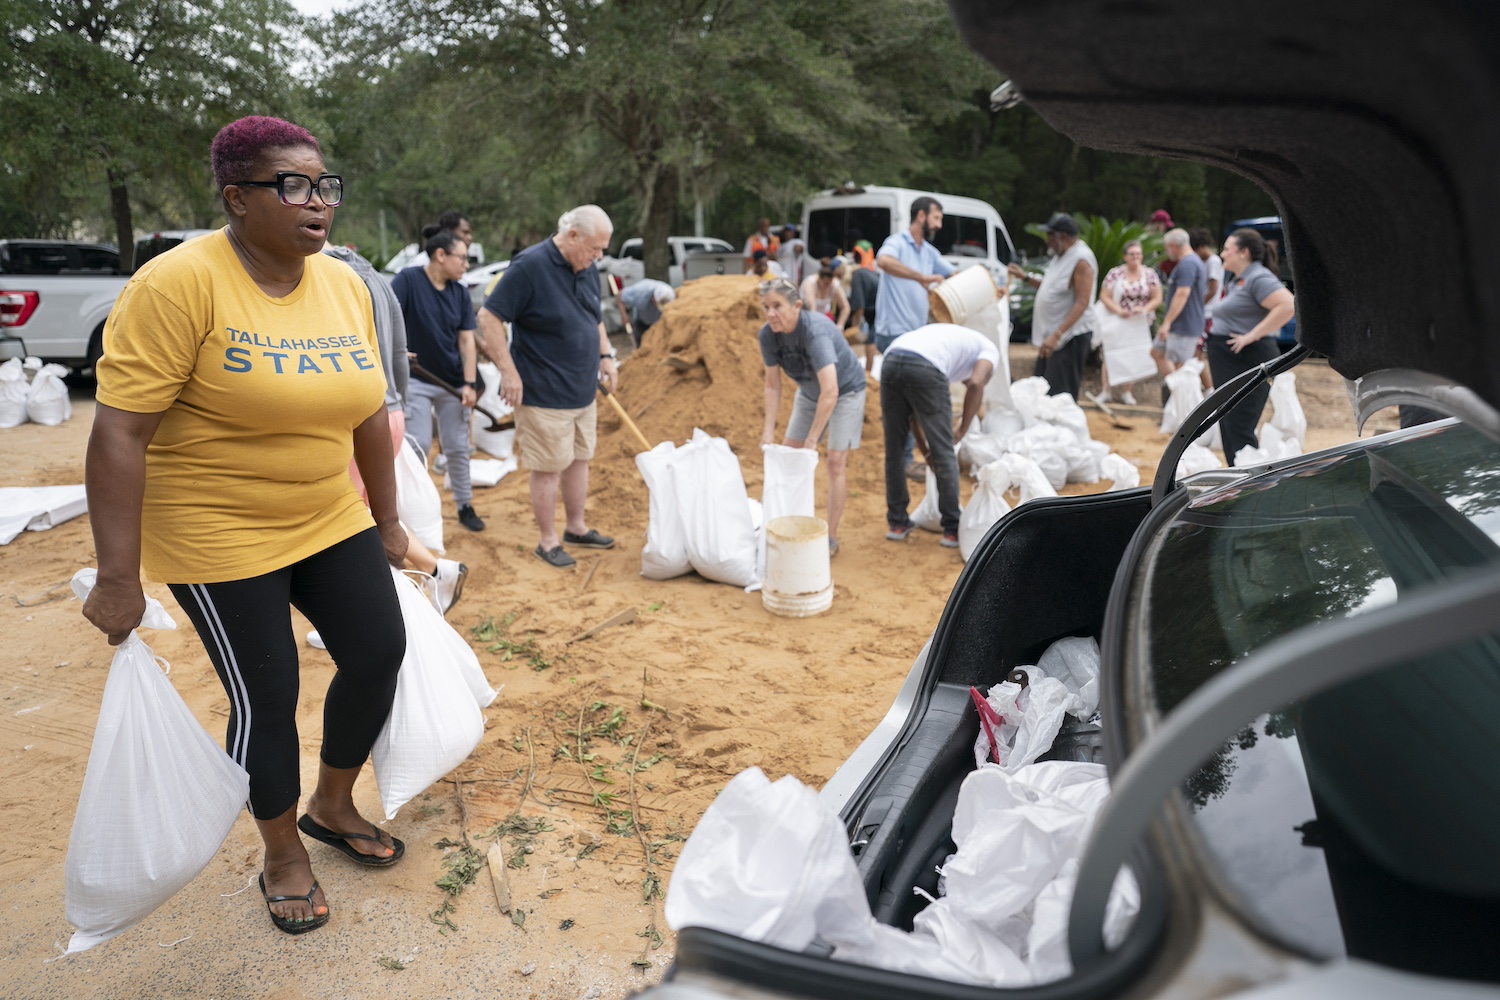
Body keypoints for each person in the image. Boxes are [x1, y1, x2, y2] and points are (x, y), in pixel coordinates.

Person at [83, 115, 407, 935]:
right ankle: (281, 853)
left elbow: (369, 410)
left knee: (378, 651)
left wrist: (389, 519)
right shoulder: (177, 285)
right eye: (292, 186)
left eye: (325, 185)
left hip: (326, 513)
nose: (317, 203)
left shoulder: (343, 284)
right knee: (267, 693)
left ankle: (332, 806)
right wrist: (120, 577)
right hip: (216, 528)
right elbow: (119, 431)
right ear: (237, 198)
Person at [322, 241, 467, 614]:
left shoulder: (323, 277)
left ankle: (373, 607)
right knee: (371, 513)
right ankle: (436, 570)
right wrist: (397, 406)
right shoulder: (377, 277)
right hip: (390, 413)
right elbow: (400, 356)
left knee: (349, 521)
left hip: (360, 418)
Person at [478, 205, 618, 569]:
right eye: (595, 248)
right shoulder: (529, 267)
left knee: (579, 460)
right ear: (573, 236)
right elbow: (489, 317)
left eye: (603, 249)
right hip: (543, 392)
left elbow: (594, 316)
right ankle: (548, 541)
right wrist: (509, 373)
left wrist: (606, 356)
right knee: (549, 467)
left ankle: (576, 527)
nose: (599, 256)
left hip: (582, 389)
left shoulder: (586, 266)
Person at [757, 278, 867, 554]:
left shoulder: (814, 332)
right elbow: (772, 385)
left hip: (846, 392)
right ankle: (788, 522)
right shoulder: (767, 335)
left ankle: (829, 535)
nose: (771, 313)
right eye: (766, 307)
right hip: (809, 392)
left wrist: (812, 440)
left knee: (834, 463)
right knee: (789, 455)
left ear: (796, 306)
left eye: (777, 306)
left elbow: (831, 391)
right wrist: (767, 431)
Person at [392, 226, 485, 532]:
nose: (467, 265)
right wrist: (397, 351)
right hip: (417, 378)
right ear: (440, 255)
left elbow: (467, 342)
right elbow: (388, 317)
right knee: (417, 444)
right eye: (462, 258)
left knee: (457, 446)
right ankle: (417, 511)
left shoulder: (460, 292)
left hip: (453, 382)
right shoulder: (408, 280)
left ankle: (464, 505)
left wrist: (470, 384)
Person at [879, 323, 997, 548]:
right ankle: (952, 528)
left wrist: (925, 452)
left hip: (891, 360)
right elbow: (975, 383)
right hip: (924, 365)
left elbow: (914, 416)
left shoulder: (955, 344)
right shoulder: (989, 350)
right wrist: (961, 430)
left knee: (894, 450)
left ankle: (897, 523)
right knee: (945, 451)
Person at [876, 196, 954, 478]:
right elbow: (883, 261)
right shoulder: (897, 242)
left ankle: (906, 458)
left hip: (914, 335)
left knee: (908, 401)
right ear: (921, 216)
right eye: (936, 218)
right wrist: (920, 277)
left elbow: (952, 274)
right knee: (902, 403)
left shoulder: (929, 252)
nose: (939, 224)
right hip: (893, 333)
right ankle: (905, 459)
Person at [1208, 228, 1296, 463]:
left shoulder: (1258, 277)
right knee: (1229, 423)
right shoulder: (1240, 279)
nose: (1223, 254)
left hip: (1247, 358)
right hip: (1230, 358)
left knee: (1240, 426)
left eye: (1227, 249)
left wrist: (1251, 335)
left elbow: (1288, 305)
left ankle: (1250, 487)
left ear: (1243, 252)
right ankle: (1236, 479)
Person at [1008, 212, 1096, 400]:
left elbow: (1083, 302)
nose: (1046, 241)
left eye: (1049, 235)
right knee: (1044, 389)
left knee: (1060, 394)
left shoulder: (1081, 260)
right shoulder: (1061, 256)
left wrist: (1057, 334)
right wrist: (1025, 277)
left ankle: (1062, 429)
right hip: (1054, 337)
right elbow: (1051, 287)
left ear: (1061, 236)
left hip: (1069, 337)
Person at [1094, 239, 1161, 405]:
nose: (1136, 257)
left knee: (1134, 354)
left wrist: (1144, 309)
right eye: (1132, 254)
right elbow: (1104, 296)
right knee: (1111, 353)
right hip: (1117, 319)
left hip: (1139, 321)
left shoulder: (1150, 274)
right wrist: (1118, 310)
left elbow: (1157, 297)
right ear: (1125, 256)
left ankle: (1126, 391)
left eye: (1138, 254)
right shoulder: (1115, 273)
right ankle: (1106, 390)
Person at [1151, 228, 1207, 395]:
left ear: (1173, 245)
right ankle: (1176, 390)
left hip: (1184, 325)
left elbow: (1182, 293)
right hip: (1181, 324)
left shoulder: (1188, 264)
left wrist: (1167, 323)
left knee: (1181, 365)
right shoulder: (1190, 262)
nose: (1167, 252)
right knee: (1157, 352)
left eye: (1166, 248)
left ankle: (1181, 396)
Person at [1189, 227, 1223, 391]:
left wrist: (1196, 304)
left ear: (1201, 246)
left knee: (1197, 355)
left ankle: (1209, 390)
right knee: (1196, 354)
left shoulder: (1213, 261)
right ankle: (1204, 388)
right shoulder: (1204, 261)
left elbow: (1213, 289)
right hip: (1203, 313)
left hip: (1207, 313)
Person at [617, 277, 675, 347]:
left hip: (659, 323)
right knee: (640, 346)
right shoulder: (640, 290)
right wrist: (624, 315)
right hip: (641, 322)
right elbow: (619, 296)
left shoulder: (670, 294)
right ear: (653, 296)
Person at [405, 209, 472, 269]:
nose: (470, 238)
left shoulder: (457, 270)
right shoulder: (422, 263)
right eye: (465, 232)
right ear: (449, 231)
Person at [848, 262, 881, 373]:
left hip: (878, 310)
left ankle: (868, 372)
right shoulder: (867, 272)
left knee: (870, 340)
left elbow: (859, 307)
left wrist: (854, 328)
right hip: (881, 306)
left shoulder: (857, 276)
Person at [799, 257, 851, 328]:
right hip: (808, 318)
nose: (827, 286)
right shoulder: (810, 284)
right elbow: (812, 308)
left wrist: (840, 325)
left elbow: (845, 307)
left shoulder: (834, 284)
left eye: (829, 283)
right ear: (819, 277)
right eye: (825, 283)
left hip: (824, 317)